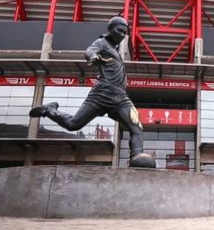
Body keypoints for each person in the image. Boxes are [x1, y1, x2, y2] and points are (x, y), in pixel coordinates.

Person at [29, 16, 155, 168]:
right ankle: (49, 110)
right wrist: (94, 57)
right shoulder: (102, 42)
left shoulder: (116, 51)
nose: (122, 35)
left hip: (121, 97)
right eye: (119, 30)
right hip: (102, 93)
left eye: (125, 32)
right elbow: (90, 50)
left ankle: (137, 157)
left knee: (137, 127)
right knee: (73, 124)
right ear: (110, 29)